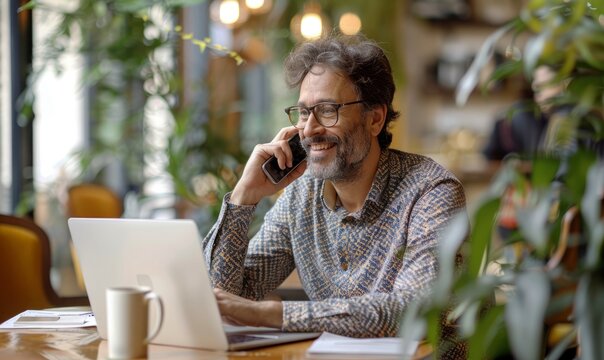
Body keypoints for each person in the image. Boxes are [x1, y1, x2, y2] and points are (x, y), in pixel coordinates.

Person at [202, 34, 467, 350]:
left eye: (327, 110)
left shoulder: (432, 192)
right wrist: (244, 196)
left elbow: (415, 311)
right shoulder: (301, 197)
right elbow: (227, 298)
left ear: (375, 119)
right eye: (303, 112)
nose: (310, 130)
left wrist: (272, 314)